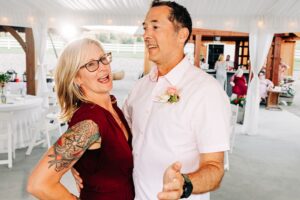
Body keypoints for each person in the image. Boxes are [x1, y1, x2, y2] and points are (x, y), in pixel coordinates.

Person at [74, 1, 230, 199]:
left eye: (155, 27)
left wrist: (184, 184)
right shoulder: (141, 87)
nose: (146, 35)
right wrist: (79, 162)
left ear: (181, 35)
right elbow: (116, 136)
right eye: (145, 28)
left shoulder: (206, 91)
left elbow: (215, 168)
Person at [27, 38, 135, 199]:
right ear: (77, 77)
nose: (103, 68)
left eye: (103, 59)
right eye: (91, 64)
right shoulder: (89, 123)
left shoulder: (113, 108)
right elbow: (38, 184)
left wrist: (75, 163)